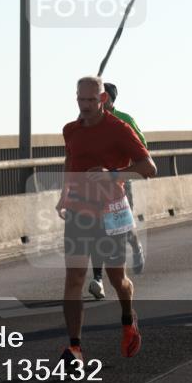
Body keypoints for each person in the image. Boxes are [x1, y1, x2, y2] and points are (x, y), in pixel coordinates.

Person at [56, 76, 157, 364]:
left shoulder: (119, 129)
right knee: (74, 278)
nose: (84, 105)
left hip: (111, 212)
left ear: (102, 99)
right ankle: (74, 348)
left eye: (90, 100)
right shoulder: (70, 130)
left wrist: (112, 174)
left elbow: (149, 168)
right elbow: (69, 160)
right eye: (80, 99)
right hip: (79, 212)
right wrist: (65, 193)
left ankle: (128, 318)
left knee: (117, 279)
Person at [88, 82, 147, 300]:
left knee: (121, 229)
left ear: (109, 99)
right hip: (94, 185)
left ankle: (135, 245)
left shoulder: (125, 120)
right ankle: (98, 280)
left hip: (120, 181)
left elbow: (143, 148)